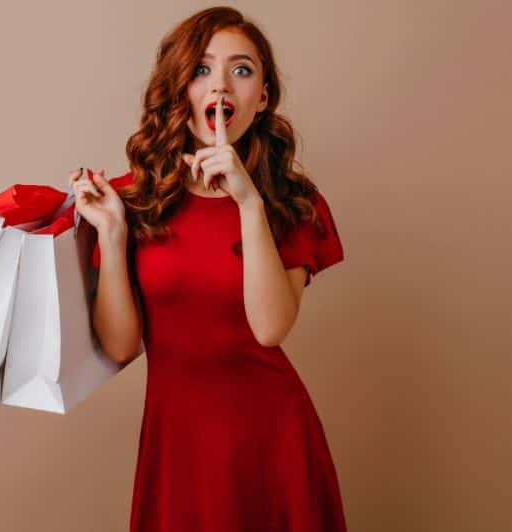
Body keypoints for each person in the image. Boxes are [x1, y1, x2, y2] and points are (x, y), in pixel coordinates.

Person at [69, 6, 347, 532]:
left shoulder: (292, 201)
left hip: (274, 442)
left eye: (241, 70)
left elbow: (270, 328)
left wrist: (248, 202)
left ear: (261, 98)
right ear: (179, 89)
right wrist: (112, 233)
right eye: (202, 69)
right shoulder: (134, 200)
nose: (221, 84)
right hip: (177, 444)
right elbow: (121, 346)